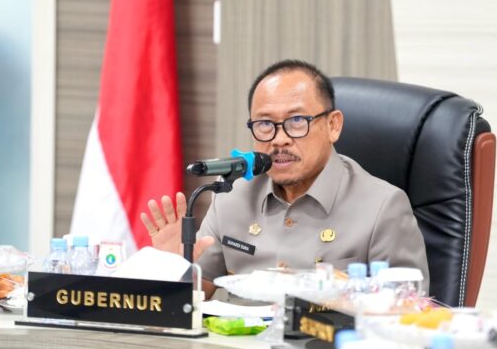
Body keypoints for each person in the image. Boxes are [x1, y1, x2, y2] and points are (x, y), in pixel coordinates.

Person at [140, 59, 429, 298]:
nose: (279, 139)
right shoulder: (232, 196)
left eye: (297, 121)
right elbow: (195, 294)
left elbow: (407, 311)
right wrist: (174, 267)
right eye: (265, 124)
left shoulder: (382, 207)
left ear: (333, 125)